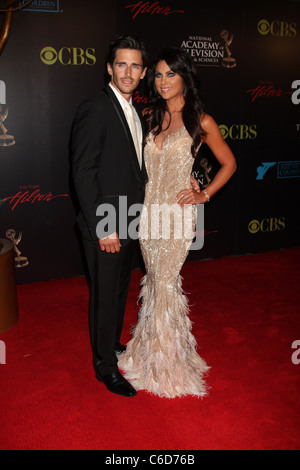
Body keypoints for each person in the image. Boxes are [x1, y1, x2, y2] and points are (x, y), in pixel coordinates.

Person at [118, 47, 237, 398]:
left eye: (171, 73)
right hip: (148, 214)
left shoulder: (201, 120)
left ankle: (168, 365)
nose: (163, 80)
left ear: (185, 76)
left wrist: (204, 193)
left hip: (176, 214)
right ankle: (148, 350)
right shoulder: (150, 115)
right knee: (154, 280)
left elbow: (229, 163)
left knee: (167, 282)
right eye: (157, 74)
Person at [71, 35, 148, 397]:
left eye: (135, 65)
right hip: (106, 224)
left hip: (129, 218)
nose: (128, 71)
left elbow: (133, 169)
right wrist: (105, 227)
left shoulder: (135, 110)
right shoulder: (96, 107)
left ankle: (111, 342)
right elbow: (84, 171)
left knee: (118, 291)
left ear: (143, 72)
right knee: (104, 295)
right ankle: (104, 366)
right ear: (109, 68)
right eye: (121, 64)